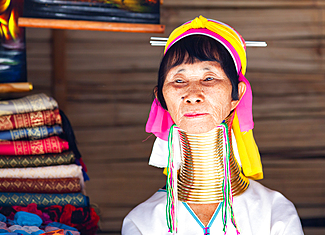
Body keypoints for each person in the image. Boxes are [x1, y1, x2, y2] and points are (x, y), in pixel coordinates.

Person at [121, 16, 304, 235]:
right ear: (161, 98)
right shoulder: (143, 222)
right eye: (179, 80)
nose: (193, 95)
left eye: (209, 78)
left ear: (237, 95)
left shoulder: (274, 213)